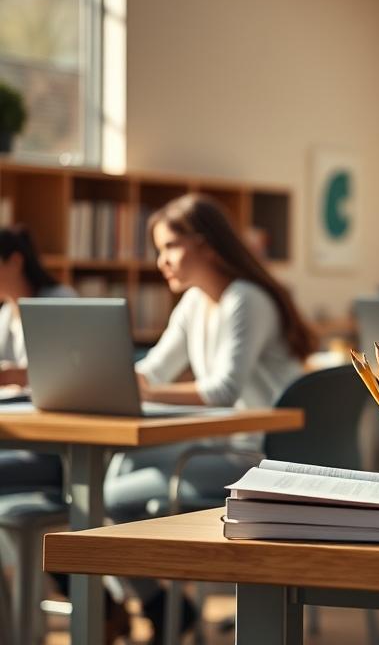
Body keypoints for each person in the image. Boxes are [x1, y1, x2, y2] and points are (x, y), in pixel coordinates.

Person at [106, 193, 314, 639]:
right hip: (226, 448)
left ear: (206, 244)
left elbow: (223, 390)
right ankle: (159, 603)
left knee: (108, 497)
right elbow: (153, 370)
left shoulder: (246, 299)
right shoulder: (196, 303)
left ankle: (159, 604)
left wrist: (142, 388)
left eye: (170, 248)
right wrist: (115, 378)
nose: (161, 261)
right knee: (115, 473)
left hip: (263, 459)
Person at [0, 226, 74, 487]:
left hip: (55, 448)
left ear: (16, 261)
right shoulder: (6, 313)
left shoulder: (59, 301)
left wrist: (17, 375)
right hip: (17, 433)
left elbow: (73, 373)